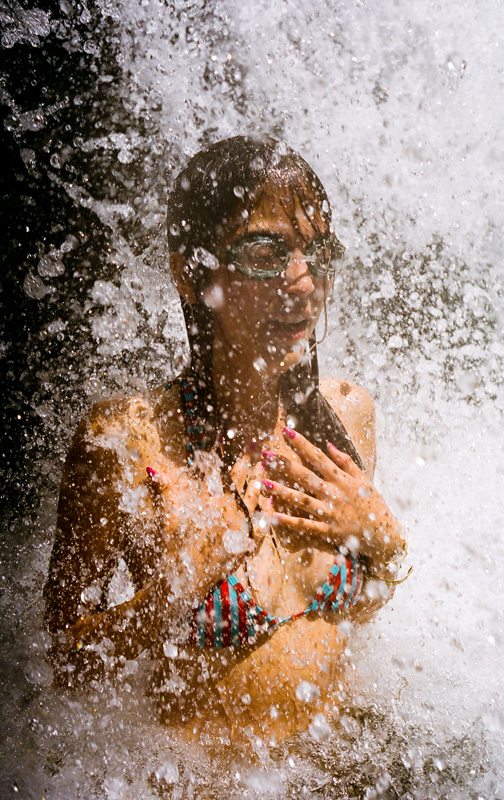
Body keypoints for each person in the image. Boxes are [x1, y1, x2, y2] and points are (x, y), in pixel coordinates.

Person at [44, 135, 408, 750]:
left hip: (334, 774)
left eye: (318, 253)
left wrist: (388, 547)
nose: (304, 283)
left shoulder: (347, 416)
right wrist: (172, 592)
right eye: (266, 253)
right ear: (191, 274)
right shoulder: (128, 443)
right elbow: (64, 667)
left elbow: (359, 611)